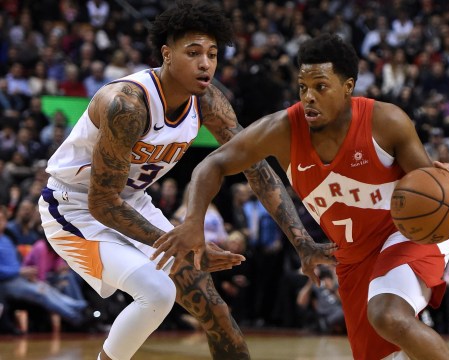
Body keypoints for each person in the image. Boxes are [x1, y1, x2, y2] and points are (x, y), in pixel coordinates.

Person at [37, 2, 335, 360]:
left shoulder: (207, 101)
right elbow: (102, 203)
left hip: (133, 202)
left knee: (216, 310)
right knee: (158, 292)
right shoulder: (128, 105)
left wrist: (302, 241)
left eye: (212, 54)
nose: (205, 63)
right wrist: (186, 245)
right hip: (74, 206)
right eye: (193, 53)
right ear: (167, 54)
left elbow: (257, 169)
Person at [155, 33, 449, 360]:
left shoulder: (386, 121)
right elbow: (213, 164)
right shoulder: (282, 130)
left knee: (388, 316)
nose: (308, 97)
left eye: (320, 87)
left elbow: (434, 188)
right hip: (352, 258)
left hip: (404, 237)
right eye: (302, 87)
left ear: (348, 86)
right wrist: (193, 221)